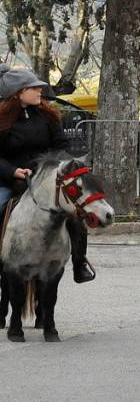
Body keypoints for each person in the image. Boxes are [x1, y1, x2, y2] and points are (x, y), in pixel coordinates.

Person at [0, 66, 96, 283]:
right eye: (34, 88)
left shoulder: (49, 114)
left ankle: (79, 263)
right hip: (11, 179)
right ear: (18, 92)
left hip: (47, 180)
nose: (40, 91)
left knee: (75, 213)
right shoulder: (2, 119)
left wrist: (56, 167)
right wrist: (12, 171)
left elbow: (62, 146)